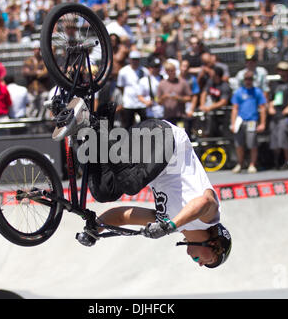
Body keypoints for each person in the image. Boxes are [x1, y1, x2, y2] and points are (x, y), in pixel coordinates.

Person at [75, 113, 232, 268]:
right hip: (165, 138)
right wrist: (169, 226)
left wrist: (95, 229)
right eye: (210, 261)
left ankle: (84, 129)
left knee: (104, 191)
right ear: (214, 245)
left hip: (146, 148)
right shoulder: (209, 219)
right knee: (131, 184)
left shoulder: (165, 220)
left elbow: (122, 216)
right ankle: (96, 124)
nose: (201, 265)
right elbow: (204, 202)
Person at [230, 70, 267, 173]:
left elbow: (263, 107)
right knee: (239, 144)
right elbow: (235, 108)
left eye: (250, 79)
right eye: (246, 79)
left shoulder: (257, 92)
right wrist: (233, 123)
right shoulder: (239, 92)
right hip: (240, 120)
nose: (248, 81)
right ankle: (240, 163)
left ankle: (252, 164)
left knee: (252, 143)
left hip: (252, 120)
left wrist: (263, 123)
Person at [267, 61, 288, 170]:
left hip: (285, 116)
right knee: (274, 139)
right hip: (275, 115)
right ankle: (276, 161)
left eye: (285, 71)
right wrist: (270, 107)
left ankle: (287, 161)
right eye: (280, 70)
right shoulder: (275, 84)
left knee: (283, 137)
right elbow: (270, 99)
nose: (282, 73)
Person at [116, 50, 148, 129]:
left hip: (142, 103)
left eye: (137, 59)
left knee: (144, 125)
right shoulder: (123, 71)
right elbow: (120, 86)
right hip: (129, 102)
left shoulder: (144, 71)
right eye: (133, 59)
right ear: (129, 59)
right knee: (128, 125)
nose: (135, 61)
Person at [198, 66, 231, 137]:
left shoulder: (225, 86)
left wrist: (210, 107)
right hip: (211, 110)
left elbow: (223, 102)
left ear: (217, 76)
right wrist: (202, 104)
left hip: (222, 114)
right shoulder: (210, 82)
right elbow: (204, 93)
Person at [157, 61, 192, 126]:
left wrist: (179, 98)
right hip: (167, 117)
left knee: (180, 134)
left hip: (180, 116)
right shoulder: (162, 84)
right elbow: (158, 101)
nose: (172, 72)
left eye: (173, 70)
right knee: (168, 135)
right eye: (170, 71)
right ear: (166, 71)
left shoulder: (182, 82)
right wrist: (164, 97)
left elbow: (189, 98)